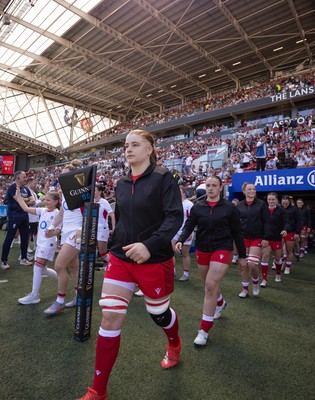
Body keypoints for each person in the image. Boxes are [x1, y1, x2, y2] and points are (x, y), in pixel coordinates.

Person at [77, 129, 183, 400]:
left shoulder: (164, 178)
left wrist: (149, 246)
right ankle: (97, 391)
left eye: (135, 145)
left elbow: (174, 218)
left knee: (159, 314)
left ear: (149, 150)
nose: (128, 149)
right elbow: (121, 222)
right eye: (126, 146)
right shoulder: (122, 184)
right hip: (121, 259)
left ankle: (174, 342)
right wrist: (102, 238)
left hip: (155, 259)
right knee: (110, 316)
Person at [175, 176, 246, 347]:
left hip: (223, 248)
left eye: (214, 185)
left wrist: (242, 256)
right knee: (208, 284)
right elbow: (189, 225)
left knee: (210, 286)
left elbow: (237, 233)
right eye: (208, 185)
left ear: (221, 188)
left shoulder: (229, 208)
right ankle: (220, 303)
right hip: (203, 249)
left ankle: (204, 330)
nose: (211, 188)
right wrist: (181, 239)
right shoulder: (198, 207)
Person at [44, 160, 83, 315]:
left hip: (76, 233)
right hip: (67, 232)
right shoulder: (66, 194)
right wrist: (53, 227)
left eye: (65, 174)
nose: (61, 177)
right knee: (73, 266)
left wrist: (81, 229)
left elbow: (90, 210)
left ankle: (60, 301)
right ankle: (79, 297)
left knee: (59, 265)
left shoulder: (81, 192)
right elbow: (61, 213)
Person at [14, 189, 61, 304]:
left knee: (38, 267)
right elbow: (26, 209)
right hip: (40, 243)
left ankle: (35, 295)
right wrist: (18, 197)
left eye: (49, 200)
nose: (46, 202)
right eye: (45, 200)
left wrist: (53, 233)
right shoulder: (43, 210)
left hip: (48, 244)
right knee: (43, 269)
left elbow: (59, 230)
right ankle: (62, 279)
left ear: (56, 202)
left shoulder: (58, 213)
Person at [236, 182, 271, 298]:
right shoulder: (239, 206)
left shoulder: (261, 204)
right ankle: (245, 289)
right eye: (249, 189)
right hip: (243, 238)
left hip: (257, 238)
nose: (252, 191)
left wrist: (266, 237)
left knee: (252, 264)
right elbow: (235, 223)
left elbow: (267, 221)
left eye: (254, 189)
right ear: (244, 191)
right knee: (243, 265)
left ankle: (255, 283)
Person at [1, 171, 34, 270]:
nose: (25, 178)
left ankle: (23, 258)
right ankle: (4, 261)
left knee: (25, 237)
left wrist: (23, 199)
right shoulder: (12, 187)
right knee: (10, 237)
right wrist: (25, 199)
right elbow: (19, 199)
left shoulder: (26, 189)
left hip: (24, 215)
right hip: (14, 216)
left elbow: (33, 200)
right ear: (17, 178)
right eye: (24, 177)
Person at [260, 192, 289, 286]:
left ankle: (278, 274)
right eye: (269, 199)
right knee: (265, 257)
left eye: (273, 199)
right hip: (266, 238)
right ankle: (264, 280)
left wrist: (285, 229)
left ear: (276, 200)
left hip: (277, 238)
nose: (271, 201)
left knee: (277, 258)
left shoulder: (282, 211)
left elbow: (286, 222)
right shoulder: (263, 210)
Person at [172, 186, 194, 281]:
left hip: (185, 232)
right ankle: (173, 271)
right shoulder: (173, 204)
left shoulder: (189, 204)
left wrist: (190, 232)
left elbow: (193, 220)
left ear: (184, 193)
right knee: (171, 252)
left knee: (185, 253)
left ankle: (186, 273)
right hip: (174, 231)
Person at [94, 183, 116, 266]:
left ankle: (115, 265)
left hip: (102, 229)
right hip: (92, 229)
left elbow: (112, 214)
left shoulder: (104, 202)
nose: (93, 192)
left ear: (99, 192)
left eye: (95, 190)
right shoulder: (91, 201)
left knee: (102, 254)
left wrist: (114, 227)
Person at [281, 195, 302, 274]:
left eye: (286, 203)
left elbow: (299, 221)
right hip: (280, 232)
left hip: (291, 232)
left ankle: (287, 267)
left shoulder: (294, 210)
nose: (285, 205)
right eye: (283, 203)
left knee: (289, 250)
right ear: (281, 202)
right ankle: (282, 261)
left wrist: (297, 232)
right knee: (278, 251)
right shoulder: (279, 209)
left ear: (289, 202)